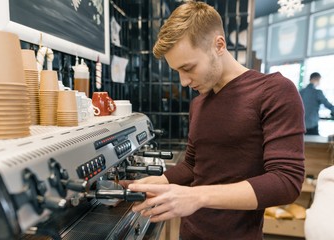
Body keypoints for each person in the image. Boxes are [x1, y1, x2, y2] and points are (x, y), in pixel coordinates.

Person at [123, 1, 305, 239]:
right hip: (189, 233)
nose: (184, 82)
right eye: (177, 70)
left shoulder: (274, 91)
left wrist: (196, 196)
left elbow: (286, 181)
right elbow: (192, 166)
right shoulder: (199, 102)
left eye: (188, 68)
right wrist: (158, 181)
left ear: (219, 45)